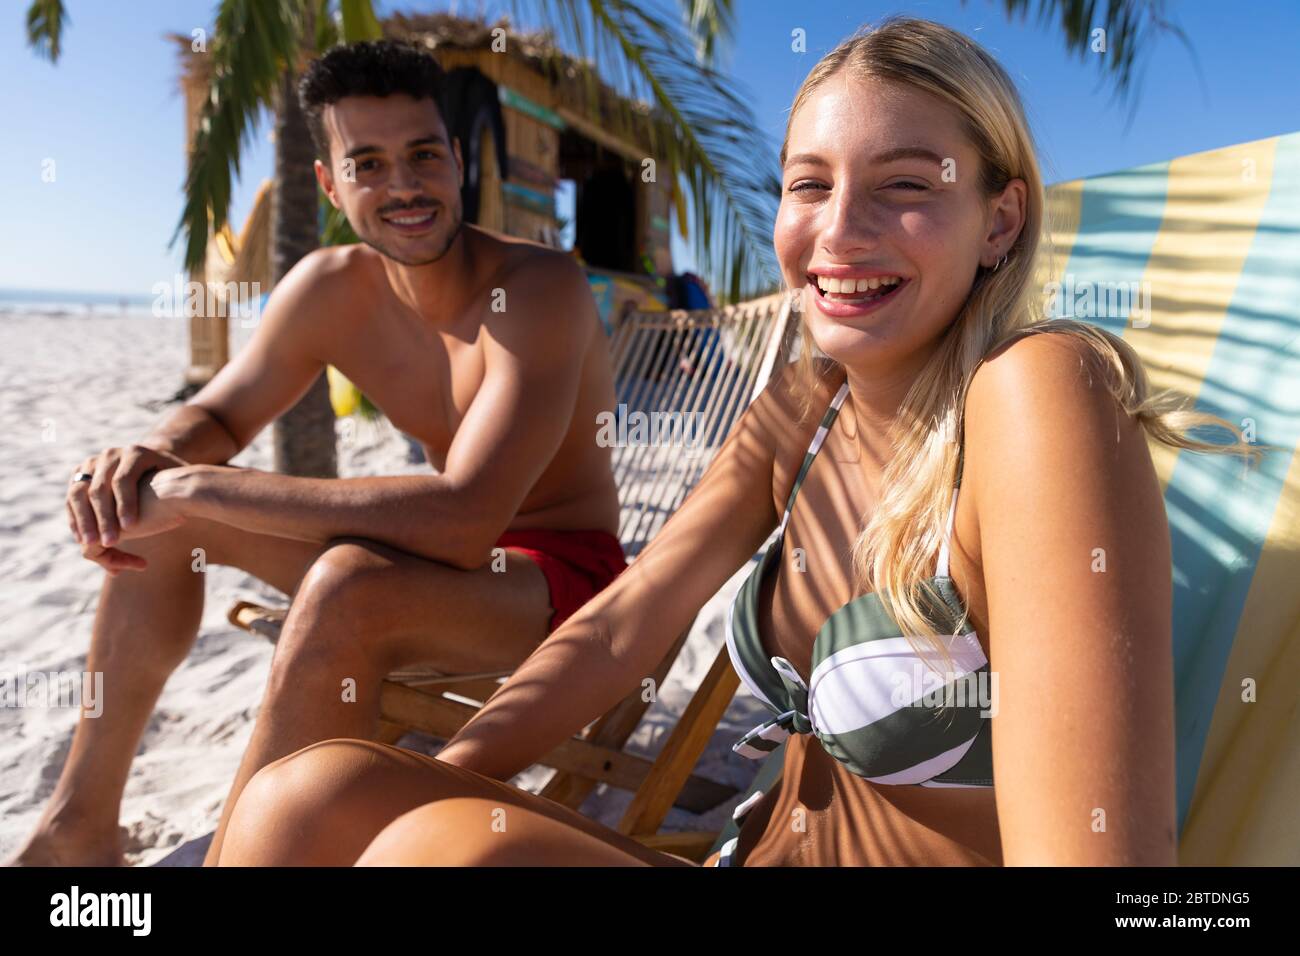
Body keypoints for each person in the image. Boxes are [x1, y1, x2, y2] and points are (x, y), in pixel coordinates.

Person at [216, 17, 1253, 867]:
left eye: (904, 184)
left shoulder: (1036, 394)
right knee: (309, 793)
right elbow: (625, 624)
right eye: (808, 184)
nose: (839, 230)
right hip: (739, 856)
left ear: (998, 220)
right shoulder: (803, 409)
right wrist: (450, 772)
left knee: (430, 856)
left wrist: (433, 816)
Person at [10, 40, 626, 867]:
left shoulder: (539, 288)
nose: (403, 185)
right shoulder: (331, 288)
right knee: (156, 521)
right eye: (368, 163)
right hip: (427, 570)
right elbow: (218, 415)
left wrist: (203, 488)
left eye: (421, 155)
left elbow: (462, 519)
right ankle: (77, 833)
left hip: (556, 586)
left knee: (343, 583)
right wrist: (146, 460)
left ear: (454, 161)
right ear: (331, 185)